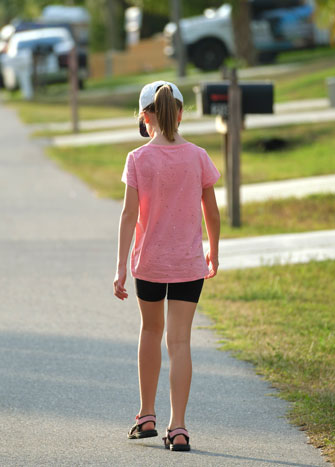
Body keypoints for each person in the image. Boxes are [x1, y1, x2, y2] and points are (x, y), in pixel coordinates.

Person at [113, 80, 221, 452]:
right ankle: (178, 428)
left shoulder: (137, 159)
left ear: (146, 118)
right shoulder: (198, 156)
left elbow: (129, 216)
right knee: (180, 342)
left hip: (150, 264)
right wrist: (214, 252)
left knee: (150, 332)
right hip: (189, 264)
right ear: (179, 113)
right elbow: (212, 212)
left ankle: (146, 416)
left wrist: (120, 267)